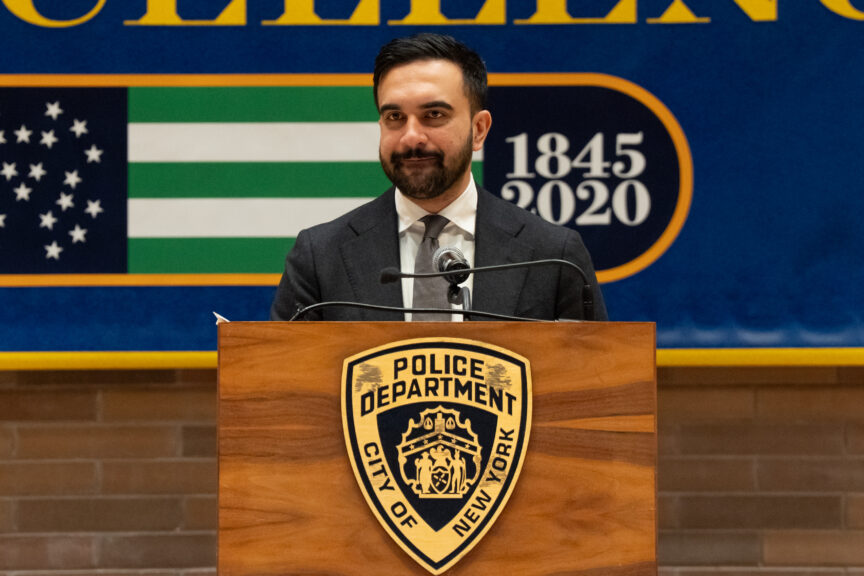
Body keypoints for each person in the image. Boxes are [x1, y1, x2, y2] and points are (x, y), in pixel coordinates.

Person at [270, 33, 607, 321]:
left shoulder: (554, 255)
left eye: (433, 114)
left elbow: (592, 373)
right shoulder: (319, 257)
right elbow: (285, 374)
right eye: (395, 117)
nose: (411, 137)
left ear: (479, 129)